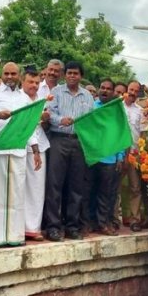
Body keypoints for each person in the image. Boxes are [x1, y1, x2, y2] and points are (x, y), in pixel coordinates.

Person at [0, 63, 42, 247]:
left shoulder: (25, 98)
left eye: (13, 73)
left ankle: (14, 236)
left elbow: (29, 127)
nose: (9, 77)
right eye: (6, 73)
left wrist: (36, 151)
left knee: (16, 194)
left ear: (19, 76)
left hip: (17, 149)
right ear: (2, 74)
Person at [43, 61, 95, 241]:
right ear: (65, 75)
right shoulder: (56, 92)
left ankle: (72, 226)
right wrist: (59, 120)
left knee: (76, 186)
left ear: (81, 76)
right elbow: (49, 114)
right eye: (70, 73)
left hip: (79, 143)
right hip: (58, 140)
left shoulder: (87, 96)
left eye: (76, 73)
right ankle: (53, 227)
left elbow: (90, 119)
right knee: (54, 185)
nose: (72, 76)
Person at [88, 79, 124, 235]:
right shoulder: (90, 107)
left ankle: (104, 223)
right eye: (102, 87)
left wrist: (120, 156)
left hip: (109, 158)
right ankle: (90, 223)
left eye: (108, 89)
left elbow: (120, 134)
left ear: (113, 92)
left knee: (106, 194)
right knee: (89, 192)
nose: (104, 91)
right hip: (92, 156)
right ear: (98, 89)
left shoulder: (116, 110)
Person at [21, 67, 49, 240]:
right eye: (30, 82)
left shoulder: (42, 99)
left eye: (37, 83)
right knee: (19, 186)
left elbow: (42, 123)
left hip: (40, 144)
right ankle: (18, 227)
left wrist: (45, 119)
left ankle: (33, 227)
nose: (34, 85)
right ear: (22, 82)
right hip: (20, 145)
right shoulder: (18, 99)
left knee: (37, 187)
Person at [121, 81, 148, 231]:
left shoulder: (139, 110)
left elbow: (143, 132)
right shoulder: (117, 108)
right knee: (115, 187)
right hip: (117, 153)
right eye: (130, 89)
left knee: (135, 187)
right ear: (126, 90)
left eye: (136, 91)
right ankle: (112, 219)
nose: (132, 92)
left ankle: (135, 219)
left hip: (133, 153)